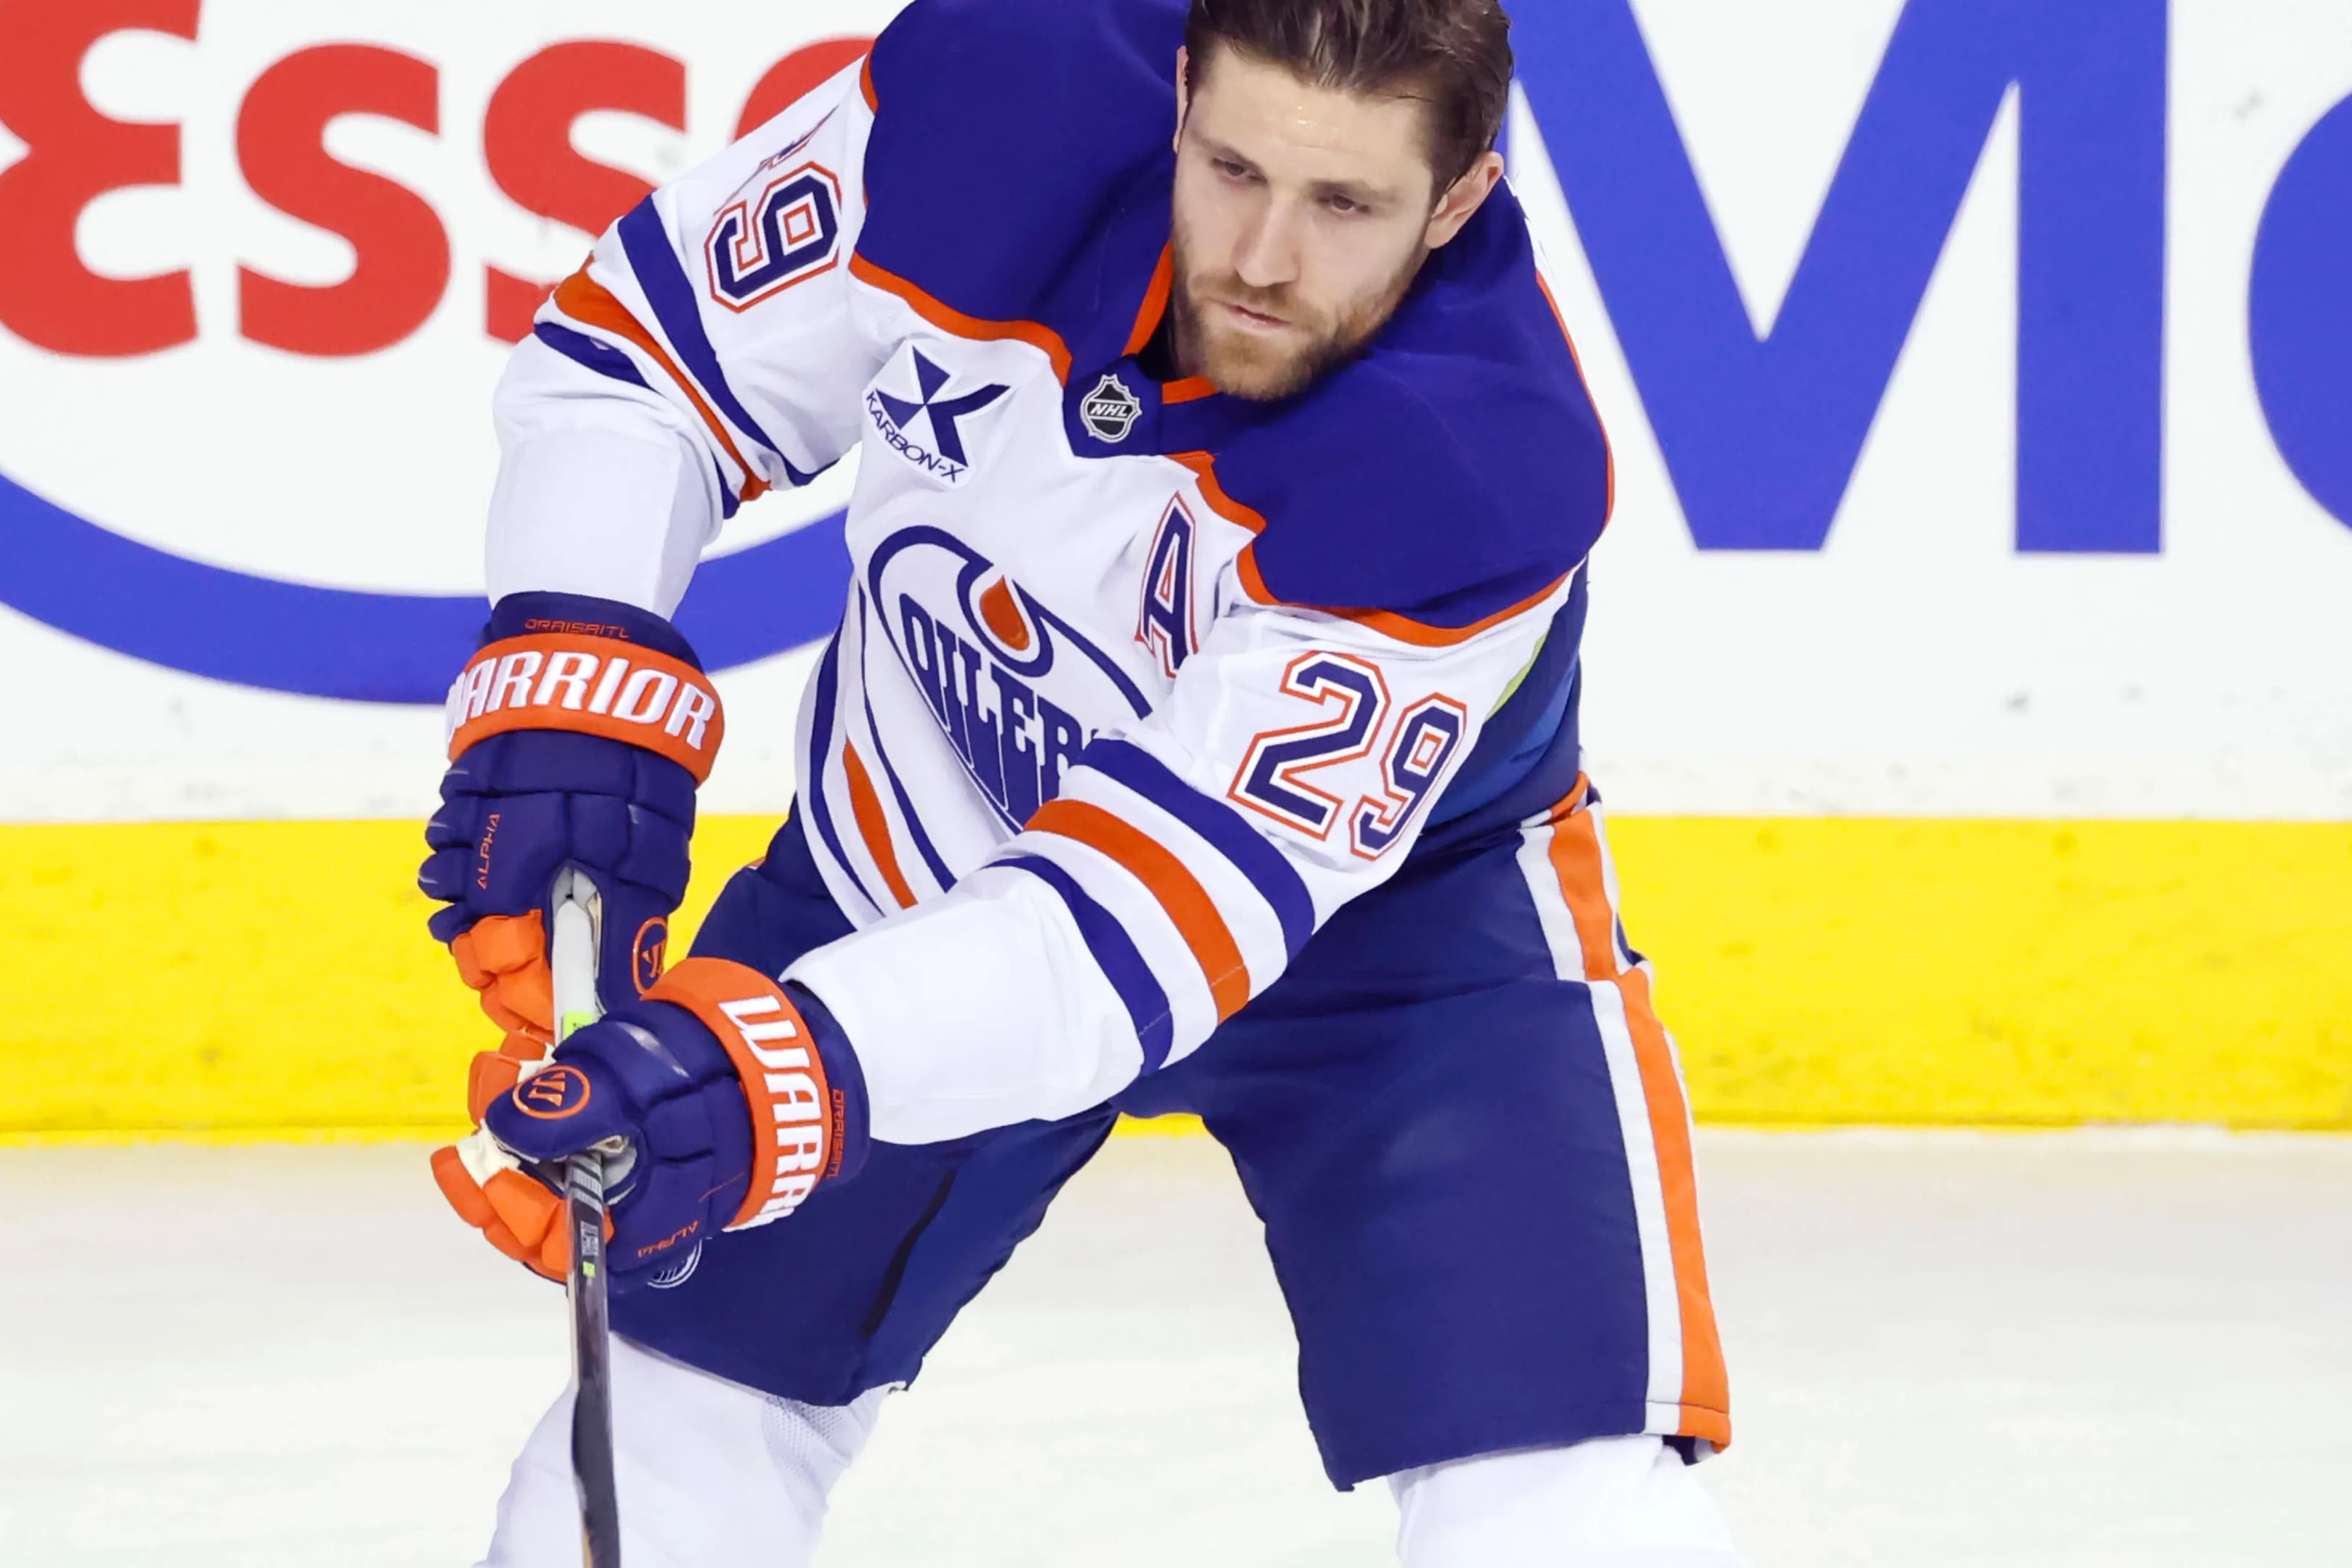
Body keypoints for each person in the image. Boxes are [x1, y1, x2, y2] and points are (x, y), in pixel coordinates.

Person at [417, 0, 1740, 1561]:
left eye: (1345, 204)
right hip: (910, 847)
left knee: (1560, 1509)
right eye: (1232, 169)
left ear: (1459, 200)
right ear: (1180, 92)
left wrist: (776, 1070)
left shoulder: (1474, 463)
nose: (1261, 258)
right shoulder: (1000, 93)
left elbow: (1125, 938)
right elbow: (644, 362)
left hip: (1398, 955)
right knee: (658, 1442)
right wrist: (576, 666)